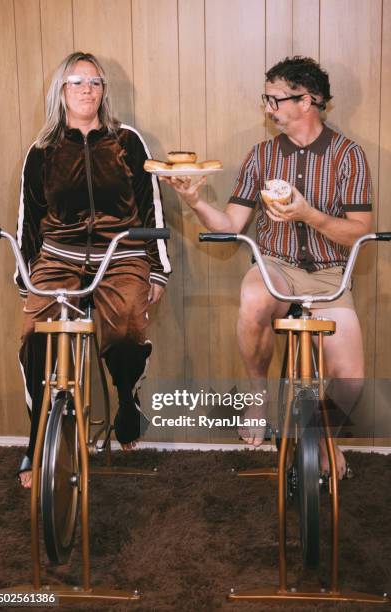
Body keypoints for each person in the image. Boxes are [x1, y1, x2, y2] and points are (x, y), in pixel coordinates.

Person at [162, 56, 372, 479]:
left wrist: (308, 214)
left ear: (309, 100)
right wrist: (196, 201)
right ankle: (258, 396)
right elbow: (231, 227)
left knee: (351, 381)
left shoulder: (348, 155)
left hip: (331, 275)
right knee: (255, 297)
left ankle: (321, 440)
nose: (268, 108)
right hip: (273, 265)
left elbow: (360, 234)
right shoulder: (260, 155)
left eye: (276, 99)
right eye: (267, 98)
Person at [15, 52, 171, 488]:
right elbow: (28, 218)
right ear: (61, 91)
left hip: (120, 253)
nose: (88, 89)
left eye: (95, 81)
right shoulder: (43, 149)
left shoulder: (127, 141)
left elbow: (150, 207)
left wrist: (156, 270)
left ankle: (126, 398)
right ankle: (37, 439)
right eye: (77, 81)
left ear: (104, 90)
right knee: (34, 339)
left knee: (125, 330)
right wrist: (26, 277)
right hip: (58, 255)